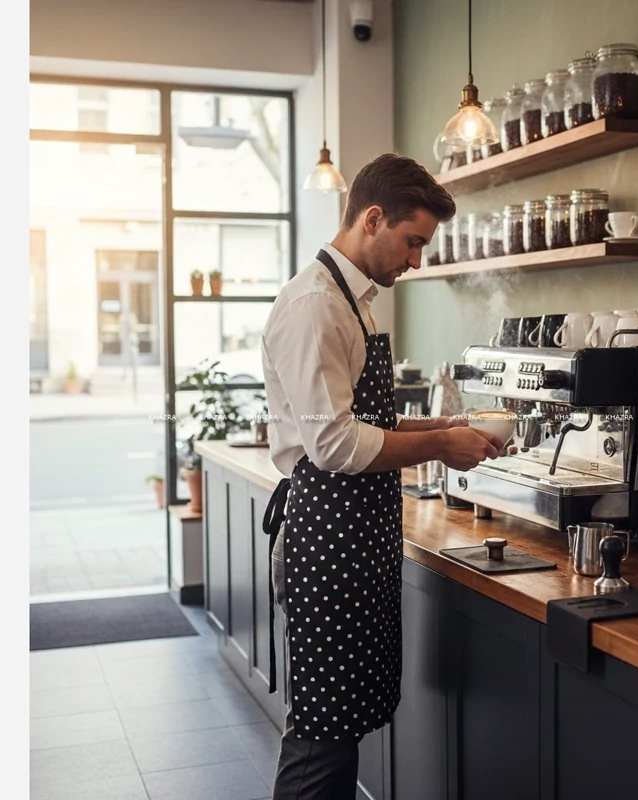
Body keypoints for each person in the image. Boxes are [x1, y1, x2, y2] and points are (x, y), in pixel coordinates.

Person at [260, 153, 507, 800]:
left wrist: (448, 425)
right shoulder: (316, 305)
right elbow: (335, 443)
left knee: (341, 728)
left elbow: (370, 422)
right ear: (373, 219)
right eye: (413, 241)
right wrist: (442, 445)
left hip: (357, 537)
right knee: (320, 734)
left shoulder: (355, 302)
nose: (417, 261)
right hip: (327, 542)